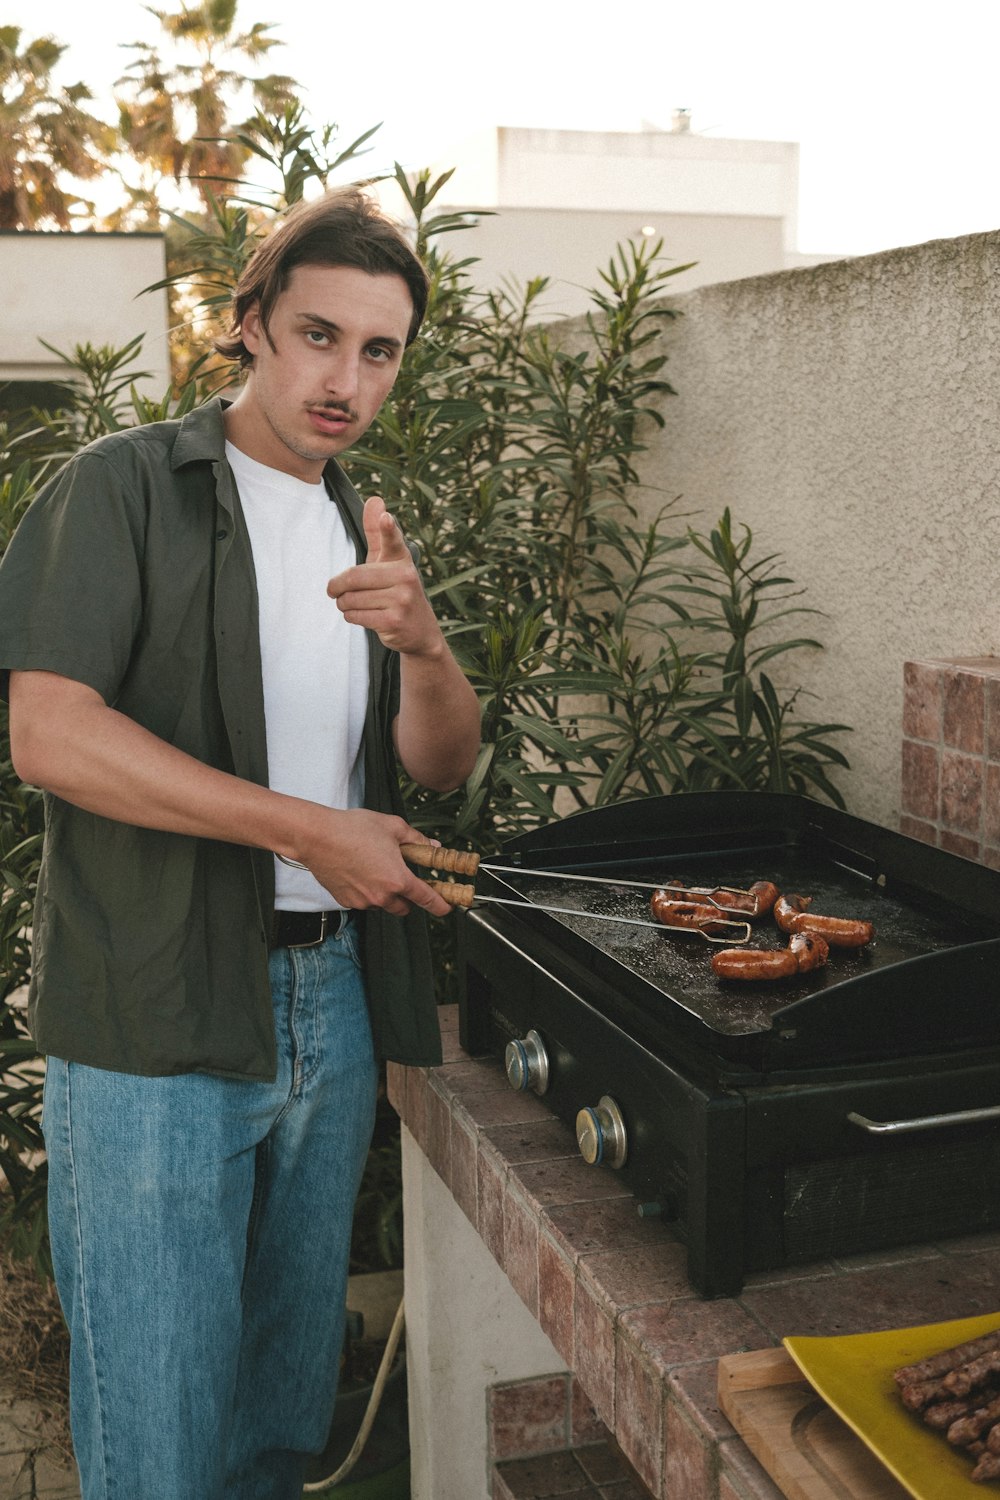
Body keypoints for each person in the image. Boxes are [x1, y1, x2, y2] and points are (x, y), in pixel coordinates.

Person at [0, 187, 481, 1500]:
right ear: (251, 325)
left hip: (329, 998)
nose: (345, 377)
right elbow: (47, 733)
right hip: (159, 1011)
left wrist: (425, 642)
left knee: (277, 1412)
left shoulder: (361, 527)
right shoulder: (119, 489)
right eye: (318, 334)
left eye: (378, 350)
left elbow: (441, 762)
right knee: (159, 1436)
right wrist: (301, 830)